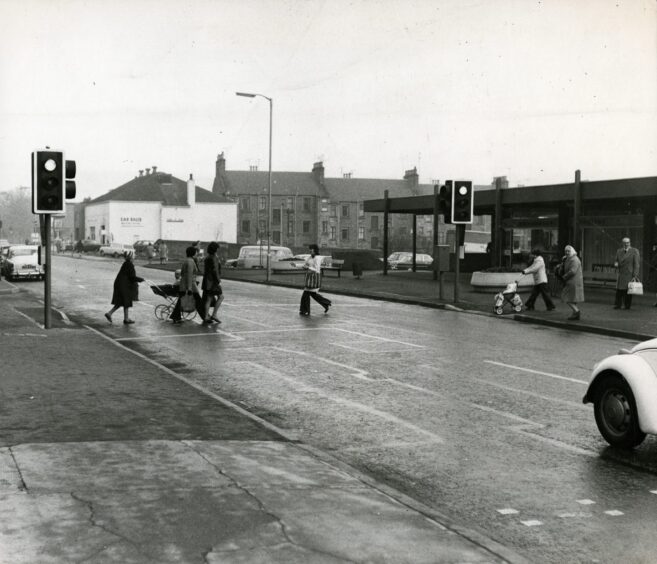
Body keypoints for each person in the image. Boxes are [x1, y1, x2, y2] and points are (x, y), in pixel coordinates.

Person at [105, 251, 144, 324]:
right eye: (134, 257)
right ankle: (123, 318)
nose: (134, 258)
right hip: (124, 285)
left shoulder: (126, 263)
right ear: (131, 257)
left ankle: (114, 315)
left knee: (123, 301)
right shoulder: (130, 265)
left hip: (120, 284)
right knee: (126, 300)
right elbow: (132, 277)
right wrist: (141, 279)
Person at [169, 246, 203, 324]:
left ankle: (175, 316)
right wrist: (190, 288)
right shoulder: (190, 262)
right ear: (193, 253)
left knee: (180, 302)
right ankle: (205, 317)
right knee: (199, 302)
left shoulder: (187, 260)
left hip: (183, 285)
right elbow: (189, 275)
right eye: (196, 252)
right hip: (190, 286)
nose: (197, 253)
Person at [299, 244, 332, 316]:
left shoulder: (317, 258)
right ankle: (326, 303)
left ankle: (305, 310)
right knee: (313, 295)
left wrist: (309, 268)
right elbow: (306, 265)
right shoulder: (310, 257)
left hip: (314, 279)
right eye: (310, 250)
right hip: (309, 278)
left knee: (306, 295)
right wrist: (301, 266)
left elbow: (317, 269)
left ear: (315, 250)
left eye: (311, 250)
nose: (310, 251)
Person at [613, 236, 640, 310]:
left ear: (630, 243)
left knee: (628, 290)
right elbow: (616, 260)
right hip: (621, 273)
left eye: (628, 242)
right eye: (625, 243)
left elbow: (636, 264)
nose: (626, 244)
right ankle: (618, 304)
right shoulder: (619, 251)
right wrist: (616, 264)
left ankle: (627, 305)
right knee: (619, 290)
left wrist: (635, 275)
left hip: (629, 274)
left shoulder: (634, 251)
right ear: (622, 243)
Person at [202, 241, 224, 324]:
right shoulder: (214, 257)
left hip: (207, 281)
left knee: (208, 299)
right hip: (213, 281)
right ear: (215, 249)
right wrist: (218, 281)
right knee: (221, 297)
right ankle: (214, 314)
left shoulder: (207, 257)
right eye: (217, 248)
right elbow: (215, 270)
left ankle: (206, 317)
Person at [560, 245, 584, 321]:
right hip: (572, 282)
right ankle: (575, 313)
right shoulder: (569, 259)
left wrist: (564, 277)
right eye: (565, 251)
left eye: (568, 251)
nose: (567, 252)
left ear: (572, 251)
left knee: (566, 297)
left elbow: (573, 271)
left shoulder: (574, 260)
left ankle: (576, 311)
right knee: (572, 298)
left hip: (573, 282)